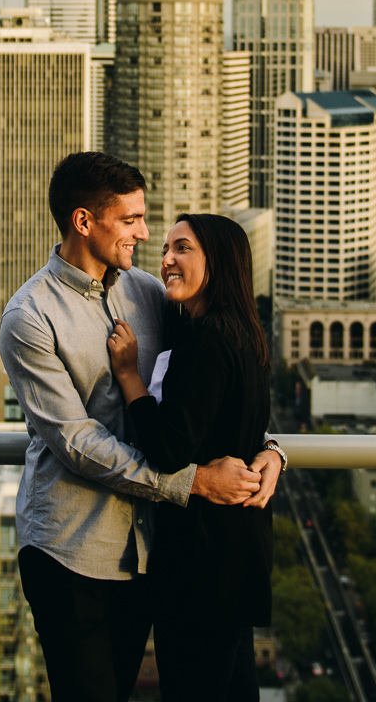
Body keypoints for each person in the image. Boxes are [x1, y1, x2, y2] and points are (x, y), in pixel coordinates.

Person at [0, 152, 285, 702]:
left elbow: (215, 387)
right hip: (73, 552)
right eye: (130, 219)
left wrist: (268, 448)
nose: (144, 232)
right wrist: (194, 482)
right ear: (84, 222)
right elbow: (78, 443)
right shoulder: (30, 317)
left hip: (151, 556)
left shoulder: (149, 293)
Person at [107, 213, 274, 702]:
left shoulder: (207, 339)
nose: (166, 260)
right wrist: (274, 452)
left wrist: (128, 375)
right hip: (238, 552)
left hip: (202, 565)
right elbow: (242, 428)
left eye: (183, 248)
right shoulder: (245, 332)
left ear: (217, 261)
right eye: (165, 248)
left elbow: (168, 449)